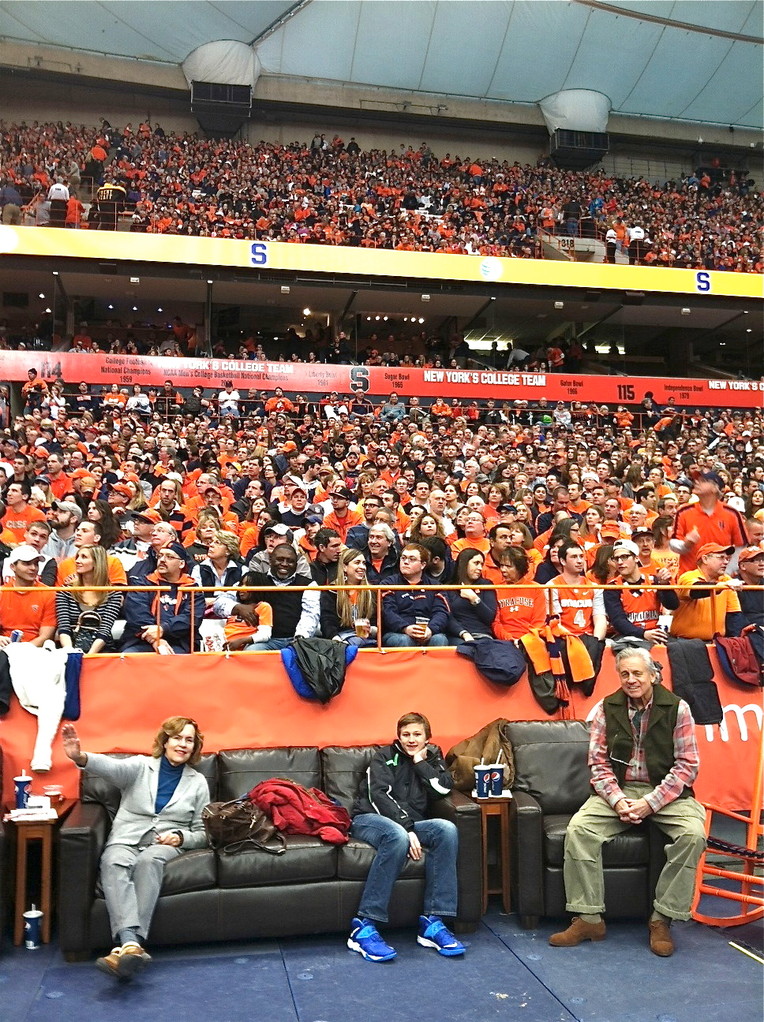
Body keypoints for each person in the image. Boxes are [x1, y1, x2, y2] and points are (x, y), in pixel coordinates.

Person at [549, 647, 706, 957]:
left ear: (652, 675)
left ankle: (662, 919)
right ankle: (588, 918)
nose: (631, 679)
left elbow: (687, 765)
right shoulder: (605, 708)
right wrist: (618, 800)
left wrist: (651, 802)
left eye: (637, 673)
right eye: (625, 674)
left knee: (693, 835)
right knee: (579, 830)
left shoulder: (678, 708)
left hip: (665, 792)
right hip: (618, 790)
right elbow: (598, 763)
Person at [61, 717, 210, 979]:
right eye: (177, 738)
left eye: (189, 740)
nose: (183, 744)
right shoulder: (140, 767)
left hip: (163, 845)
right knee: (113, 861)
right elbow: (111, 768)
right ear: (165, 741)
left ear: (194, 747)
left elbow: (202, 833)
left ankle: (127, 944)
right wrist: (81, 757)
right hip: (127, 839)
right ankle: (133, 946)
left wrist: (180, 837)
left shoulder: (198, 782)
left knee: (149, 861)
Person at [347, 711, 466, 962]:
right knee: (397, 836)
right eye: (405, 734)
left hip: (409, 823)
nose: (411, 739)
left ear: (427, 737)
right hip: (370, 819)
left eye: (416, 734)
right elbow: (378, 796)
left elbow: (442, 789)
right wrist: (408, 827)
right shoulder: (383, 758)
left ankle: (433, 922)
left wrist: (420, 764)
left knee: (446, 830)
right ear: (398, 736)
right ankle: (364, 926)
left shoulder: (432, 758)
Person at [122, 542, 203, 653]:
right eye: (160, 556)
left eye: (169, 557)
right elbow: (137, 616)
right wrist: (156, 640)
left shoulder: (192, 589)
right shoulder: (141, 583)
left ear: (181, 564)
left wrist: (163, 629)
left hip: (180, 643)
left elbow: (191, 618)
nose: (162, 560)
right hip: (141, 641)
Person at [604, 539, 678, 643]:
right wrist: (643, 634)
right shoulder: (612, 588)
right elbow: (618, 621)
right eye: (616, 559)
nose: (620, 562)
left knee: (685, 648)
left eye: (624, 557)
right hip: (628, 637)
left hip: (657, 633)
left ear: (636, 558)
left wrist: (664, 585)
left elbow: (672, 605)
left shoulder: (653, 580)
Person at [56, 544, 123, 653]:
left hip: (100, 648)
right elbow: (64, 628)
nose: (77, 561)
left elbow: (105, 630)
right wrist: (71, 653)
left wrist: (89, 656)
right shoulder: (66, 590)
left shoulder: (113, 593)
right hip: (69, 646)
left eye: (84, 557)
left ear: (97, 562)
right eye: (77, 556)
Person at [670, 543, 745, 640]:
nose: (726, 562)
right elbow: (695, 591)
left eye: (727, 559)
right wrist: (720, 587)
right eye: (721, 557)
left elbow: (734, 615)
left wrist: (735, 641)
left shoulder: (726, 580)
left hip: (717, 642)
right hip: (685, 641)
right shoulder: (688, 576)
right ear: (705, 559)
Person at [381, 543, 449, 647]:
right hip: (398, 632)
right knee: (404, 640)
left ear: (423, 565)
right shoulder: (388, 583)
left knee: (440, 639)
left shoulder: (435, 586)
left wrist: (431, 629)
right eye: (403, 558)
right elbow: (387, 611)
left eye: (411, 559)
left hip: (428, 631)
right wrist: (405, 628)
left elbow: (441, 612)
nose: (406, 562)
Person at [320, 547, 377, 646]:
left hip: (367, 639)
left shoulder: (371, 591)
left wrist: (370, 629)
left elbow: (378, 622)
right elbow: (327, 621)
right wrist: (336, 639)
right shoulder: (331, 591)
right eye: (357, 562)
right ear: (345, 567)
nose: (362, 567)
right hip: (340, 639)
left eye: (364, 563)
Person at [445, 548, 497, 643]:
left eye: (481, 564)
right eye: (476, 563)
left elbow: (489, 618)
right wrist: (463, 633)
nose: (480, 568)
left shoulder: (486, 585)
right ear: (464, 563)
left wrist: (474, 598)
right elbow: (447, 617)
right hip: (458, 636)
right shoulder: (449, 588)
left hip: (483, 635)